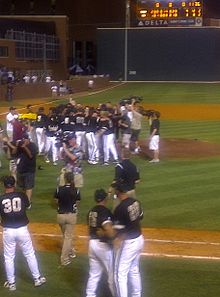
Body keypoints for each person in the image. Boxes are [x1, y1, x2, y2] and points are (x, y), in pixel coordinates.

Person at [0, 175, 46, 291]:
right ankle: (37, 278)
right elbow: (28, 206)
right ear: (14, 184)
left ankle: (11, 284)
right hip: (22, 230)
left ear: (4, 185)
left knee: (9, 257)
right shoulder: (21, 195)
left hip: (8, 231)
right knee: (30, 254)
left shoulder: (0, 199)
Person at [113, 182, 144, 297]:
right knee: (134, 269)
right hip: (139, 239)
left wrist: (117, 242)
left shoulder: (120, 208)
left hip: (129, 243)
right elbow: (140, 217)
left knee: (120, 274)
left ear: (118, 192)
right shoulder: (135, 202)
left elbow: (119, 232)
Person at [86, 189, 115, 297]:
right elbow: (109, 230)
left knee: (94, 275)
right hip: (103, 246)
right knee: (112, 276)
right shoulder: (104, 211)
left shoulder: (91, 211)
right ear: (105, 198)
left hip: (92, 245)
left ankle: (90, 295)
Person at [54, 172, 81, 266]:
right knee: (68, 237)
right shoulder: (76, 190)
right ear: (72, 179)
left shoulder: (58, 189)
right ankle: (64, 259)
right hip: (71, 216)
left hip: (60, 216)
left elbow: (56, 201)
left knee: (66, 236)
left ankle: (71, 251)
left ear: (65, 179)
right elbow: (77, 203)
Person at [15, 134, 38, 203]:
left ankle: (28, 203)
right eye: (22, 139)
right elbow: (14, 153)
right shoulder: (20, 146)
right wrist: (16, 146)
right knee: (23, 187)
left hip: (29, 170)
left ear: (28, 139)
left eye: (24, 139)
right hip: (21, 169)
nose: (23, 141)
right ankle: (24, 200)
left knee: (28, 187)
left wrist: (25, 147)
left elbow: (31, 155)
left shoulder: (33, 146)